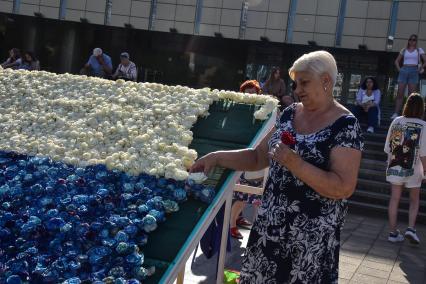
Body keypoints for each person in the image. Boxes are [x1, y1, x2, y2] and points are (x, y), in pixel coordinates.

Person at [191, 51, 363, 283]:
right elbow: (256, 157)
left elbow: (343, 187)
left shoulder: (346, 125)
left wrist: (296, 164)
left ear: (326, 81)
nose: (297, 89)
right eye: (295, 84)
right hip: (268, 234)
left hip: (309, 245)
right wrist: (216, 157)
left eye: (304, 82)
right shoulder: (290, 113)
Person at [385, 93, 426, 245]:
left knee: (394, 199)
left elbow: (389, 146)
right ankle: (411, 228)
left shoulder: (396, 121)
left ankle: (393, 233)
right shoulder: (423, 125)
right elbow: (423, 153)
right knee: (414, 200)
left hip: (395, 164)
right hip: (415, 168)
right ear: (421, 108)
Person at [231, 80, 264, 239]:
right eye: (247, 92)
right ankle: (232, 225)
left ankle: (237, 218)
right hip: (243, 156)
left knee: (248, 195)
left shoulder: (264, 110)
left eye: (253, 92)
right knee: (242, 195)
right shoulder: (239, 109)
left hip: (257, 157)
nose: (250, 95)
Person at [392, 34, 426, 120]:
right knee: (400, 93)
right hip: (404, 69)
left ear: (416, 41)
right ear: (408, 40)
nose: (412, 41)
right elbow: (396, 61)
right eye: (410, 39)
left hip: (414, 70)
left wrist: (420, 69)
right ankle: (396, 113)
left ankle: (409, 113)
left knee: (411, 95)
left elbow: (425, 60)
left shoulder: (419, 50)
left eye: (414, 40)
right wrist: (400, 70)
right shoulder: (404, 50)